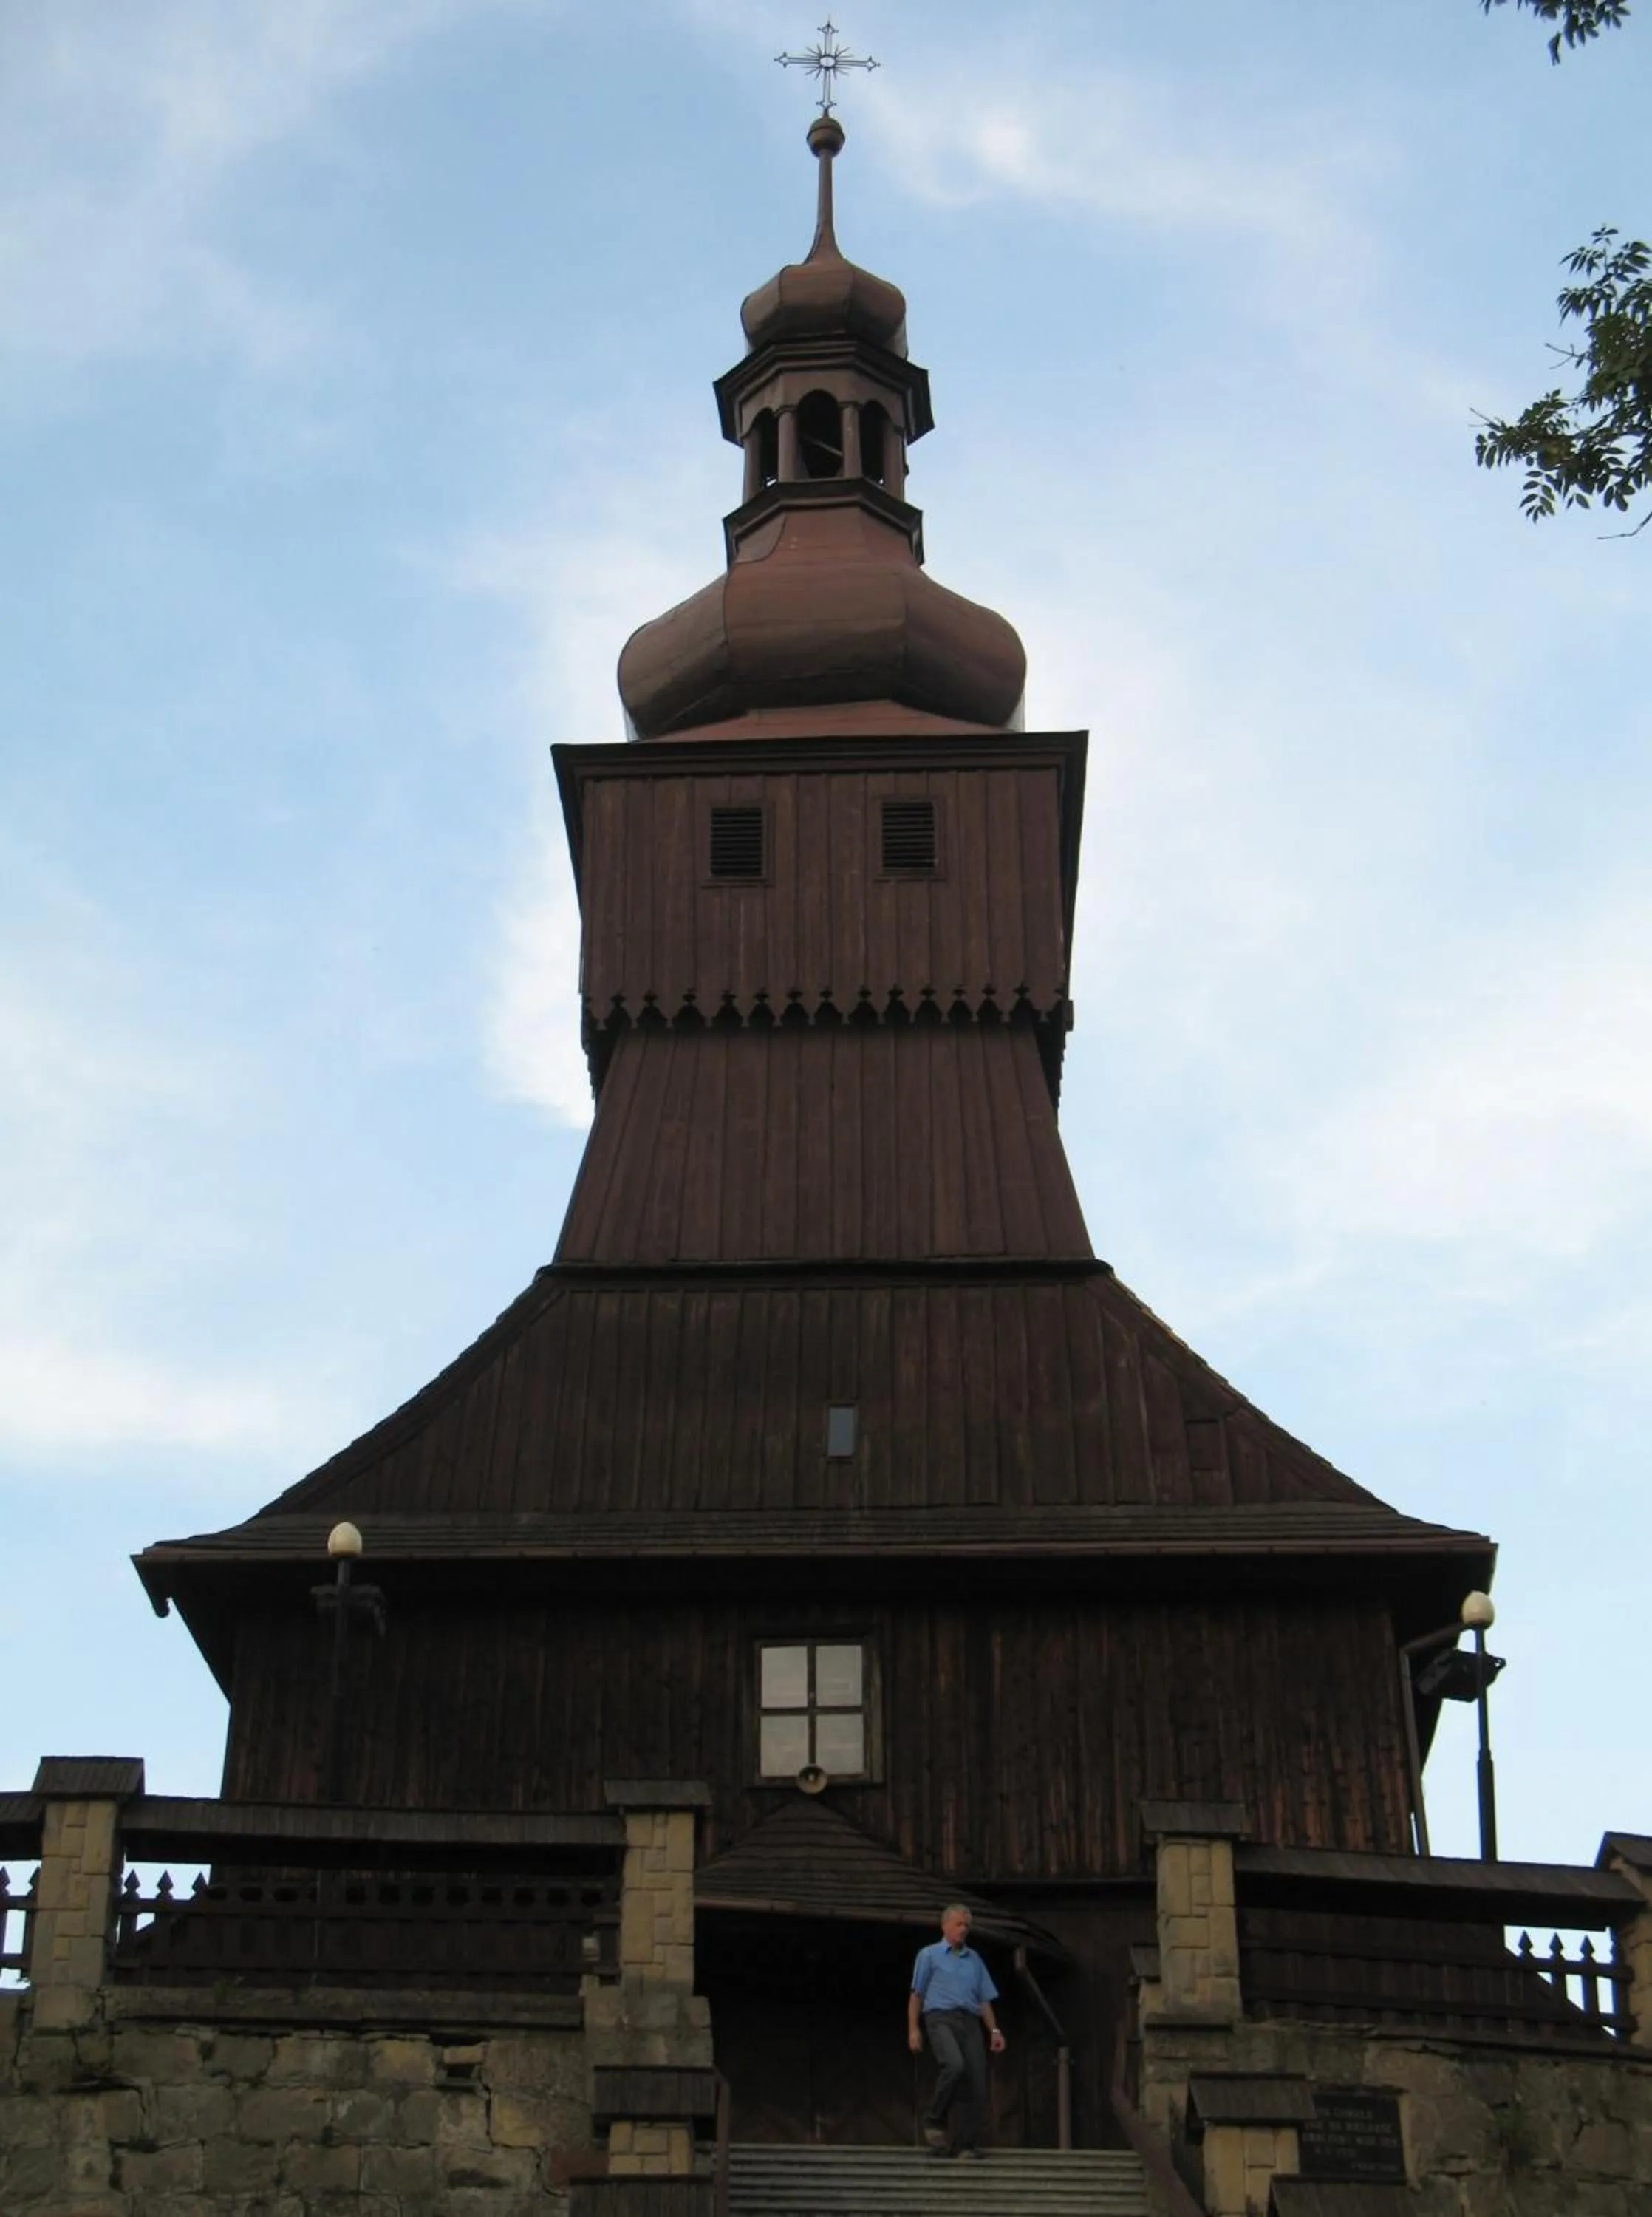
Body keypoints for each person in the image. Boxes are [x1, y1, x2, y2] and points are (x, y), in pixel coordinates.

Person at [907, 1904, 1005, 2159]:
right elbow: (916, 1995)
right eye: (958, 1924)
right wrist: (913, 2029)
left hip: (969, 2020)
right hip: (940, 2017)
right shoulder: (929, 1955)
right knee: (955, 2065)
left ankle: (964, 2145)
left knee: (978, 2085)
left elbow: (984, 2000)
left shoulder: (974, 1960)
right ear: (945, 1926)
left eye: (966, 1926)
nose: (963, 1930)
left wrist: (994, 2030)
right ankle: (935, 2118)